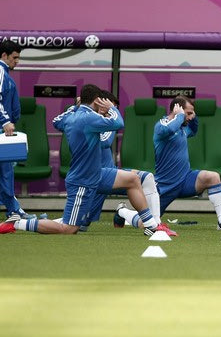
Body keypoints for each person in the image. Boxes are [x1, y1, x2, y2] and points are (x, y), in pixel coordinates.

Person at [0, 84, 159, 235]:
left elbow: (56, 121)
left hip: (96, 173)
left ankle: (151, 226)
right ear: (96, 100)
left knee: (132, 179)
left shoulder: (73, 116)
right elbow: (118, 123)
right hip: (82, 180)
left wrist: (75, 107)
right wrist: (111, 108)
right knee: (68, 229)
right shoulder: (89, 118)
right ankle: (17, 223)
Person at [53, 91, 174, 235]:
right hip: (90, 178)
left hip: (108, 174)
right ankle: (123, 212)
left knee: (145, 178)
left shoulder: (100, 121)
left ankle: (155, 224)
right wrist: (78, 107)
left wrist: (107, 115)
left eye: (113, 107)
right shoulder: (90, 120)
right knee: (77, 225)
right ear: (98, 103)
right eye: (109, 106)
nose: (111, 109)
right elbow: (104, 141)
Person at [117, 95, 221, 231]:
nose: (190, 117)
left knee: (213, 177)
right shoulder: (161, 125)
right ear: (177, 110)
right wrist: (180, 116)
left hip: (185, 180)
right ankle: (122, 211)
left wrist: (193, 117)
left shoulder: (182, 127)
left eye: (191, 114)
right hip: (164, 186)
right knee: (145, 224)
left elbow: (193, 130)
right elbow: (169, 130)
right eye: (188, 113)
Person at [0, 40, 33, 220]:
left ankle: (13, 209)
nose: (17, 61)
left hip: (3, 130)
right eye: (15, 57)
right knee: (6, 172)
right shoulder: (0, 72)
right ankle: (14, 210)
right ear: (4, 55)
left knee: (5, 172)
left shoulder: (4, 73)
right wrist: (5, 121)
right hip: (2, 131)